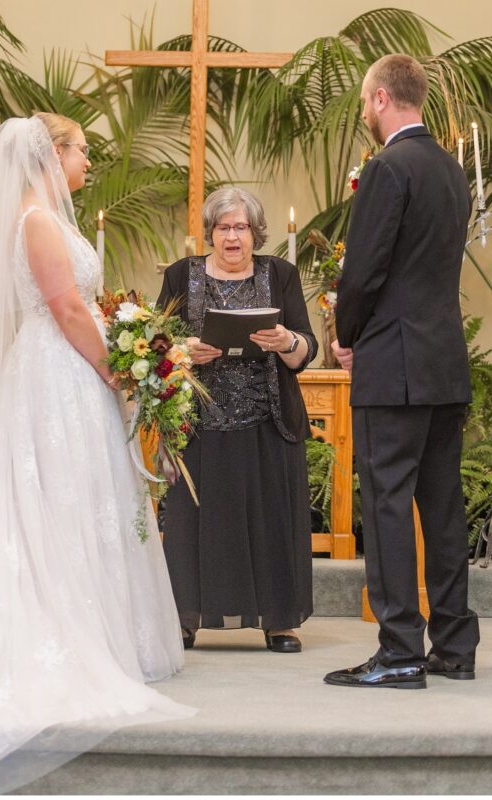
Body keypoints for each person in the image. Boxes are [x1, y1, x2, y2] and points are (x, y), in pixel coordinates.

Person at [0, 114, 192, 794]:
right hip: (59, 373)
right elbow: (67, 309)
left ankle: (98, 624)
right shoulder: (38, 222)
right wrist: (115, 367)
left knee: (77, 498)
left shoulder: (46, 215)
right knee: (53, 497)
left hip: (65, 369)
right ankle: (59, 628)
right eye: (82, 153)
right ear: (54, 154)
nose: (87, 165)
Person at [324, 54, 480, 690]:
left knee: (387, 504)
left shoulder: (387, 167)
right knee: (442, 508)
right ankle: (453, 645)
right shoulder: (452, 170)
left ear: (381, 98)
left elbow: (362, 272)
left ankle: (397, 652)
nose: (366, 113)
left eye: (366, 104)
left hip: (394, 364)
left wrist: (346, 336)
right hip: (444, 362)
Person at [157, 187, 317, 653]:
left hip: (269, 419)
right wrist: (183, 351)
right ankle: (186, 618)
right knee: (191, 521)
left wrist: (286, 340)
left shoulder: (281, 275)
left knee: (272, 520)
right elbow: (155, 343)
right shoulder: (179, 276)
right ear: (210, 232)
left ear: (255, 233)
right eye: (223, 228)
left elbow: (307, 345)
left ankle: (279, 621)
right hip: (198, 421)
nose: (232, 237)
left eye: (241, 227)